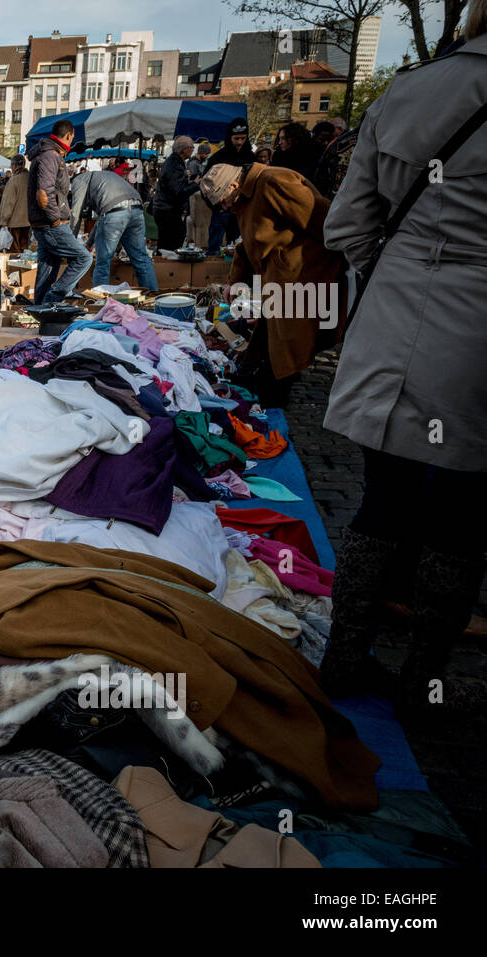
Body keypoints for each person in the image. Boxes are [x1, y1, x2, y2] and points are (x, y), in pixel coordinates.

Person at [316, 1, 487, 716]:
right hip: (474, 332)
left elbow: (347, 223)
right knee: (459, 516)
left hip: (395, 314)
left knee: (381, 497)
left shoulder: (413, 88)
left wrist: (397, 271)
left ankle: (345, 657)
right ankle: (426, 680)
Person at [199, 161, 344, 407]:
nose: (224, 208)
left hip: (302, 277)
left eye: (224, 201)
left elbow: (325, 220)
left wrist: (335, 259)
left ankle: (274, 396)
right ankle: (266, 388)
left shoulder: (273, 183)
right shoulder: (245, 199)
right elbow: (248, 244)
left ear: (234, 185)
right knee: (275, 342)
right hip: (280, 280)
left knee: (288, 343)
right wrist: (235, 282)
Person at [28, 118, 91, 304]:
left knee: (48, 268)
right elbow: (43, 192)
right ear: (70, 134)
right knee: (84, 258)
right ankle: (52, 299)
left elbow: (46, 191)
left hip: (45, 223)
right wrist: (55, 219)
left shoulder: (50, 154)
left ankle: (40, 308)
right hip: (50, 224)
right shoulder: (50, 155)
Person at [69, 167, 157, 291]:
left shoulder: (78, 181)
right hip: (136, 210)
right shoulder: (103, 177)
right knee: (141, 259)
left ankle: (101, 302)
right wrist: (89, 243)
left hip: (115, 214)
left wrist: (70, 243)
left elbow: (75, 214)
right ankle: (152, 298)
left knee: (103, 263)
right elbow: (103, 219)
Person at [205, 119, 254, 253]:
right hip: (221, 210)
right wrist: (215, 206)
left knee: (240, 248)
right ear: (229, 137)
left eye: (243, 138)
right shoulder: (217, 158)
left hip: (242, 210)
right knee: (214, 247)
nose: (239, 142)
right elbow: (205, 185)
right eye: (236, 138)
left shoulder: (250, 157)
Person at [153, 136, 200, 251]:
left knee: (168, 242)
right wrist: (195, 184)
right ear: (183, 150)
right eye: (191, 147)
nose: (193, 150)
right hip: (167, 211)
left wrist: (184, 176)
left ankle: (165, 265)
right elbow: (178, 192)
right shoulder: (175, 164)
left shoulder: (175, 162)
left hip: (165, 209)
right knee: (170, 244)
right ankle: (167, 267)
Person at [0, 153, 31, 252]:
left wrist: (4, 221)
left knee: (14, 252)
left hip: (15, 222)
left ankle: (14, 268)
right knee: (25, 250)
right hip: (29, 221)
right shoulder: (31, 178)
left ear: (14, 165)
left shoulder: (14, 180)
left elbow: (9, 203)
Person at [187, 142, 213, 246]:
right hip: (193, 195)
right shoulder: (193, 163)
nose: (207, 156)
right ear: (201, 153)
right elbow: (193, 180)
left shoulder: (198, 163)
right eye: (206, 154)